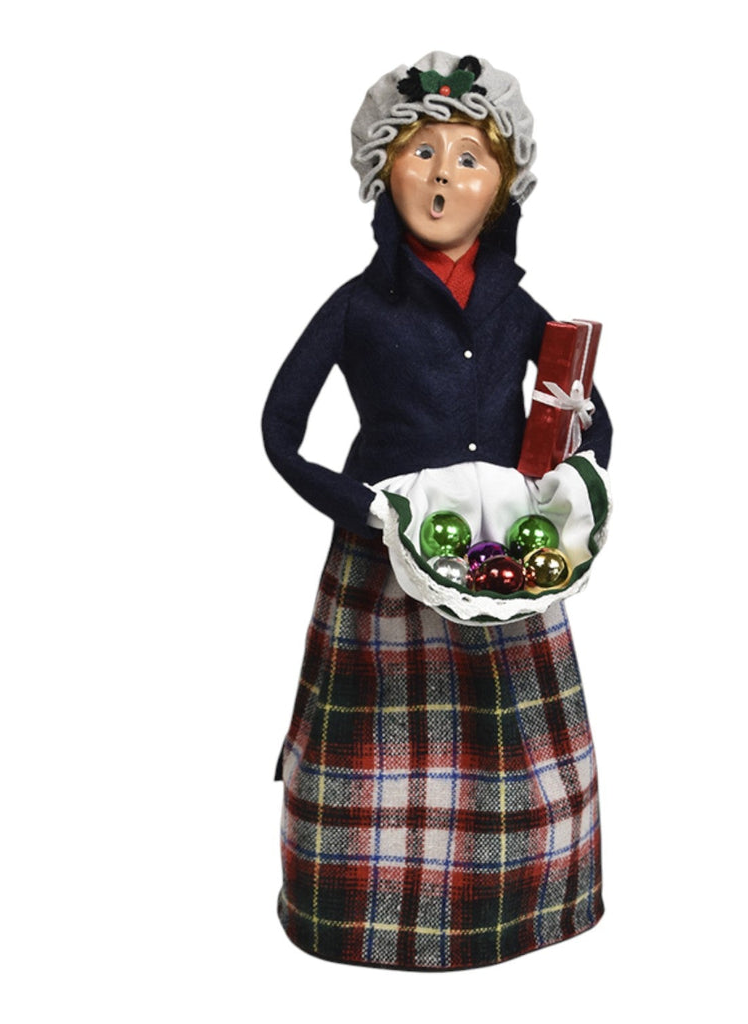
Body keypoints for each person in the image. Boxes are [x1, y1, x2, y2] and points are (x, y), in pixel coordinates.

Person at [261, 52, 613, 970]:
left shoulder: (520, 308)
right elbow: (279, 431)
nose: (443, 178)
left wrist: (569, 496)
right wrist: (362, 509)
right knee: (363, 756)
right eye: (422, 153)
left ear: (502, 187)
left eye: (469, 158)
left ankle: (530, 906)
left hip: (502, 560)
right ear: (384, 170)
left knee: (522, 759)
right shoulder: (356, 307)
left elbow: (589, 414)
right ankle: (355, 914)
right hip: (382, 558)